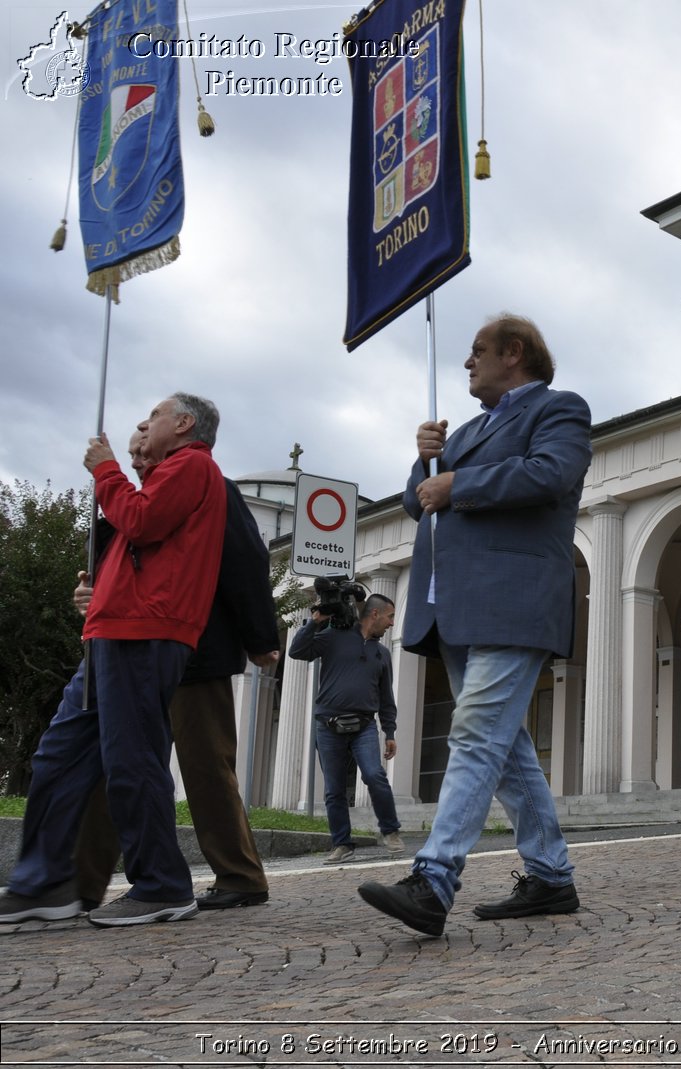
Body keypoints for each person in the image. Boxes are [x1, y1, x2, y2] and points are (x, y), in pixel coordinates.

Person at [359, 313, 590, 937]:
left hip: (515, 598)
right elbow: (417, 502)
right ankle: (551, 876)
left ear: (514, 353)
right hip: (456, 606)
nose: (467, 363)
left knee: (477, 734)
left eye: (478, 351)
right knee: (505, 746)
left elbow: (551, 474)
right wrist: (424, 461)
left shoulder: (559, 408)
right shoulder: (463, 431)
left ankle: (433, 881)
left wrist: (459, 480)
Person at [0, 394, 227, 927]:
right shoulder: (163, 477)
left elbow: (143, 523)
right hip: (114, 633)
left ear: (185, 424)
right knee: (58, 756)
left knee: (132, 759)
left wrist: (105, 470)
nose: (143, 426)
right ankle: (45, 884)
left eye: (154, 417)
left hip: (144, 633)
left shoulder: (192, 466)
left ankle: (162, 885)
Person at [74, 431, 281, 911]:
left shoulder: (206, 486)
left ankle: (239, 875)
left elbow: (245, 559)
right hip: (135, 647)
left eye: (144, 440)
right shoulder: (137, 500)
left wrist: (259, 638)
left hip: (196, 649)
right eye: (130, 449)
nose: (136, 451)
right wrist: (89, 594)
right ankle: (83, 881)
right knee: (119, 762)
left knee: (205, 762)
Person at [288, 593, 406, 865]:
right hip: (328, 726)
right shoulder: (333, 637)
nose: (391, 623)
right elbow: (297, 652)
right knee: (334, 789)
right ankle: (342, 844)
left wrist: (389, 732)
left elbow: (386, 698)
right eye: (389, 617)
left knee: (375, 776)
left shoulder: (382, 654)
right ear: (374, 614)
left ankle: (390, 831)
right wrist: (315, 622)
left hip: (364, 726)